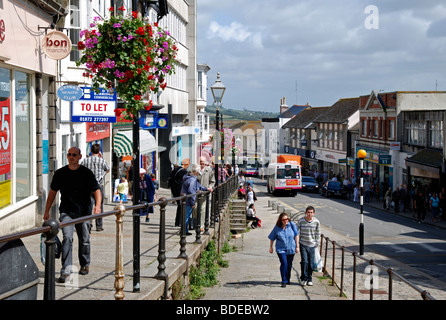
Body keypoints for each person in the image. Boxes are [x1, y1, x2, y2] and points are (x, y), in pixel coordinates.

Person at [43, 147, 101, 283]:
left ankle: (85, 264)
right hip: (66, 212)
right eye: (69, 154)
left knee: (84, 239)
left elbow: (97, 190)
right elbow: (52, 193)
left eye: (74, 155)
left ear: (80, 156)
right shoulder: (60, 173)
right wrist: (46, 211)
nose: (71, 157)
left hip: (84, 212)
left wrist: (97, 206)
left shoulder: (86, 173)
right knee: (67, 238)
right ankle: (66, 270)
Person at [80, 143, 110, 232]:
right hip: (98, 185)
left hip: (87, 186)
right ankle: (99, 225)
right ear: (99, 151)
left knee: (88, 205)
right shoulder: (102, 161)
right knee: (99, 205)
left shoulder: (85, 160)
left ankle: (88, 225)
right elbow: (108, 169)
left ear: (91, 151)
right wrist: (102, 174)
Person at [268, 212, 299, 287]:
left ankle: (287, 279)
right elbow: (272, 238)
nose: (286, 221)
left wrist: (297, 246)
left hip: (291, 248)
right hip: (281, 249)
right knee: (284, 263)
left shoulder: (291, 225)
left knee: (289, 265)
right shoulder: (277, 227)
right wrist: (271, 247)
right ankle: (284, 280)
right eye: (284, 219)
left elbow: (296, 235)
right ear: (280, 220)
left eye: (287, 219)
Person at [181, 164, 212, 235]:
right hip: (188, 200)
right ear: (196, 172)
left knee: (186, 215)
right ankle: (184, 231)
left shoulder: (188, 177)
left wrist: (206, 188)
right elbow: (191, 191)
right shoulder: (192, 179)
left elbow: (198, 186)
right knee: (186, 216)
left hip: (185, 199)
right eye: (198, 172)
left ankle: (184, 230)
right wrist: (192, 203)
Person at [297, 206, 320, 286]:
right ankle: (304, 278)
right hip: (303, 243)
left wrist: (317, 243)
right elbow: (297, 231)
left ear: (313, 213)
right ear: (306, 213)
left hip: (312, 245)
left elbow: (318, 233)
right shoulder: (301, 221)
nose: (310, 214)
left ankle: (309, 278)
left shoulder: (316, 222)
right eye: (308, 212)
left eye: (311, 212)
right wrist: (296, 244)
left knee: (310, 263)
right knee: (304, 261)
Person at [168, 159, 190, 227]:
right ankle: (179, 222)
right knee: (181, 206)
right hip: (181, 191)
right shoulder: (183, 172)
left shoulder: (175, 169)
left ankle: (178, 222)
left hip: (174, 190)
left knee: (179, 205)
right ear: (186, 165)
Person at [196, 156, 215, 229]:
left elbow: (212, 181)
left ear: (205, 162)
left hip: (204, 193)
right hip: (196, 193)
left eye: (203, 162)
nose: (201, 163)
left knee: (202, 209)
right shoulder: (196, 169)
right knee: (195, 209)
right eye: (200, 161)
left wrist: (210, 187)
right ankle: (196, 223)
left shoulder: (209, 170)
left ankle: (201, 225)